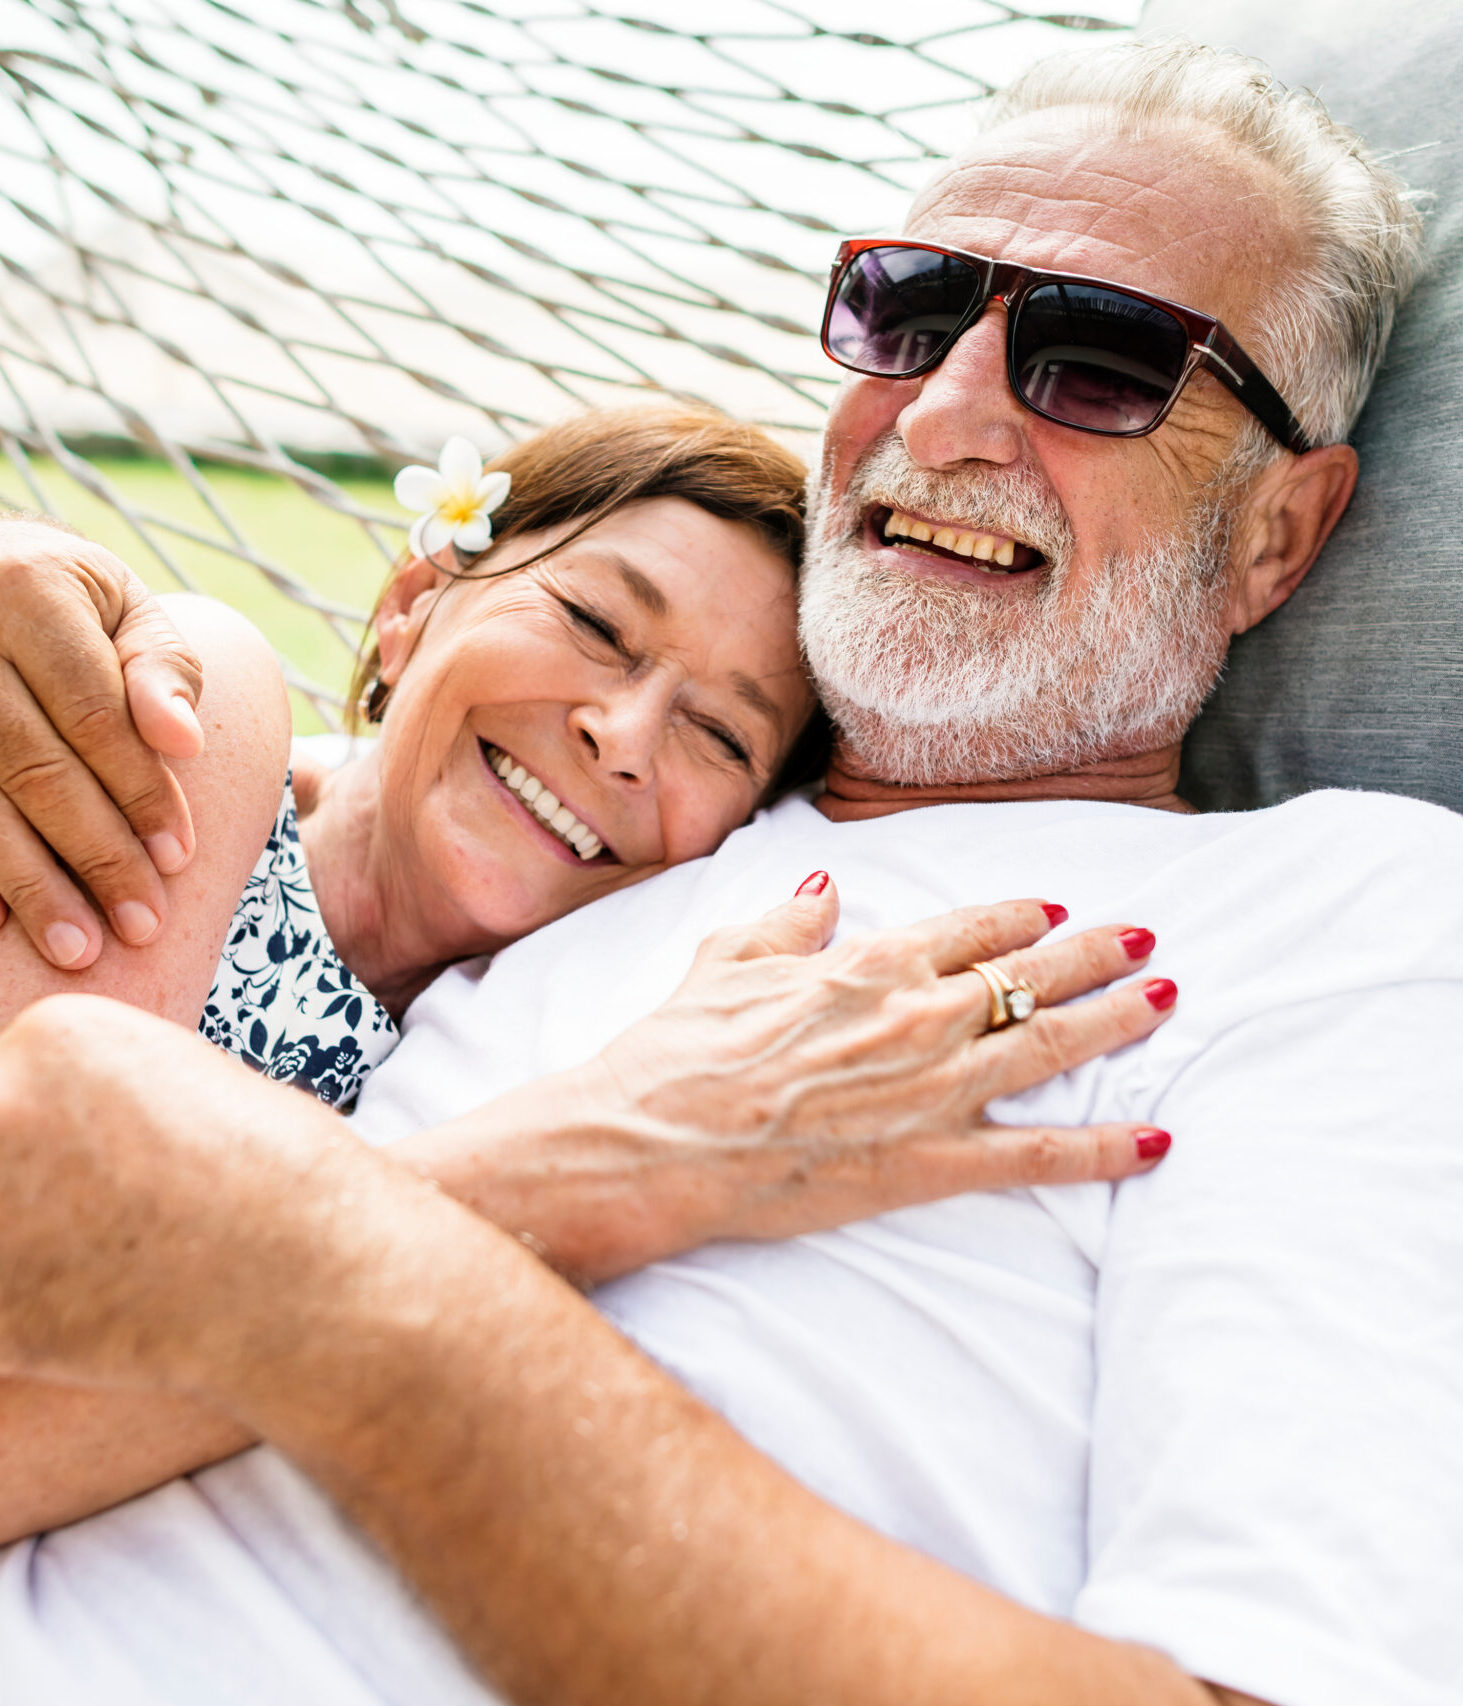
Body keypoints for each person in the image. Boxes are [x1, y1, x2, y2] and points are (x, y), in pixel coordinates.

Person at [0, 34, 1460, 1706]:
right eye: (909, 312)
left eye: (1106, 360)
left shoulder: (1352, 920)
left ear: (1278, 532)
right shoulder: (602, 849)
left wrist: (336, 1283)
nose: (949, 406)